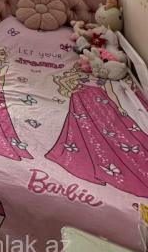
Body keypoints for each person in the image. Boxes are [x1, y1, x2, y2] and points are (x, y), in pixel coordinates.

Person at [45, 65, 148, 197]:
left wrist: (119, 107)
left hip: (99, 103)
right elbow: (63, 80)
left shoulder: (105, 81)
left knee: (110, 130)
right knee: (85, 128)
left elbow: (111, 94)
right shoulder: (83, 76)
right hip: (81, 102)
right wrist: (71, 89)